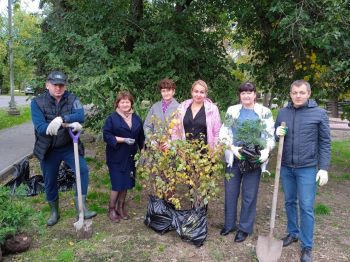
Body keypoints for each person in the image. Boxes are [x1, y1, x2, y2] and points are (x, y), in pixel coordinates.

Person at [31, 70, 96, 226]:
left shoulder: (73, 99)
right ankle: (54, 212)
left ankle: (82, 208)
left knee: (83, 170)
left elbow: (80, 116)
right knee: (50, 180)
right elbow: (40, 127)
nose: (58, 88)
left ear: (65, 86)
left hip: (68, 145)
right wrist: (60, 125)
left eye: (61, 85)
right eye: (55, 85)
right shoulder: (37, 102)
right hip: (48, 148)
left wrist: (63, 119)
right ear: (47, 85)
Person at [275, 80, 331, 262]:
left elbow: (325, 142)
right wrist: (277, 133)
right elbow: (277, 138)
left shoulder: (319, 113)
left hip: (307, 168)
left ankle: (307, 246)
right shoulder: (283, 112)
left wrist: (323, 168)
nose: (298, 96)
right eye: (294, 92)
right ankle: (293, 233)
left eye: (301, 92)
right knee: (290, 202)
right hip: (286, 167)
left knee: (306, 207)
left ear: (308, 93)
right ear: (290, 94)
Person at [219, 82, 275, 242]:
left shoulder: (264, 112)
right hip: (235, 157)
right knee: (230, 192)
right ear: (240, 95)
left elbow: (270, 135)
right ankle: (229, 225)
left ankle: (244, 228)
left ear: (255, 95)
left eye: (249, 92)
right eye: (243, 93)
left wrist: (266, 151)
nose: (246, 96)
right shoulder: (233, 111)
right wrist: (231, 147)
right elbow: (224, 132)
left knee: (249, 195)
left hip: (253, 158)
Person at [103, 91, 145, 222]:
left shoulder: (136, 118)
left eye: (127, 101)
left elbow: (141, 137)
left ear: (131, 103)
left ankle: (121, 207)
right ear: (118, 104)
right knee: (117, 184)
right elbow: (107, 135)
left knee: (126, 183)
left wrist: (143, 151)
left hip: (130, 156)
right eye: (122, 102)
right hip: (116, 156)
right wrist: (123, 139)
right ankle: (111, 209)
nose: (125, 104)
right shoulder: (112, 118)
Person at [172, 79, 221, 150]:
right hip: (185, 153)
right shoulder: (182, 107)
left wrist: (215, 151)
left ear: (206, 94)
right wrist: (177, 148)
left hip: (205, 155)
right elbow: (175, 130)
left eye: (202, 92)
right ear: (192, 92)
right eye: (196, 91)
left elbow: (217, 133)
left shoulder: (212, 109)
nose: (198, 95)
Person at [143, 78, 179, 150]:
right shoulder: (155, 107)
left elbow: (181, 130)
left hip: (171, 147)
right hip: (155, 147)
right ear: (161, 92)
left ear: (173, 91)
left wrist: (171, 142)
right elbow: (147, 126)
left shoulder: (179, 108)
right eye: (163, 91)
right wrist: (151, 140)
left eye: (168, 90)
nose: (166, 93)